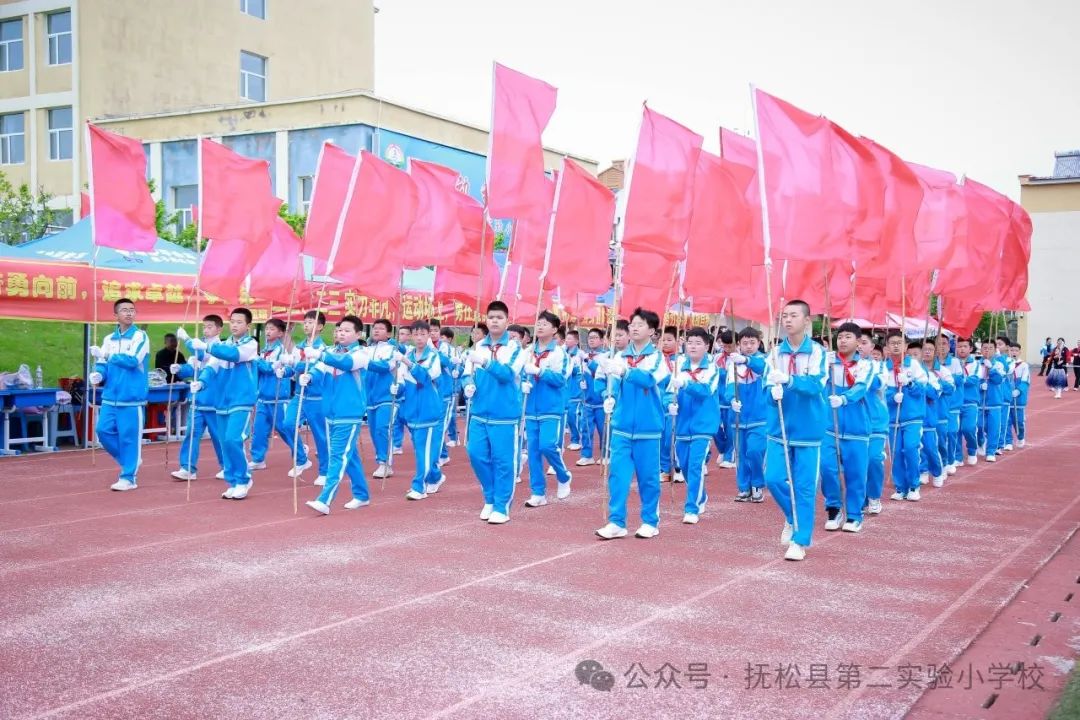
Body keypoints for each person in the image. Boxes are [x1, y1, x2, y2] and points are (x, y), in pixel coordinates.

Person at [595, 307, 669, 540]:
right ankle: (616, 521)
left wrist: (625, 371)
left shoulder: (657, 358)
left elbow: (648, 380)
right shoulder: (619, 356)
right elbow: (612, 385)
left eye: (640, 324)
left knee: (648, 477)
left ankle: (650, 520)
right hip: (622, 426)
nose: (634, 328)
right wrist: (608, 398)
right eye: (633, 324)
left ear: (652, 331)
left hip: (649, 428)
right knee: (618, 475)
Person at [763, 300, 828, 561]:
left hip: (808, 429)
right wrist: (772, 392)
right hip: (779, 427)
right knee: (773, 478)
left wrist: (789, 381)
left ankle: (800, 540)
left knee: (804, 486)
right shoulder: (775, 353)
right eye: (784, 316)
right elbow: (766, 388)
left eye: (793, 315)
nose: (788, 320)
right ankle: (792, 516)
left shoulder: (817, 352)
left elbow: (816, 385)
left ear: (806, 321)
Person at [463, 301, 526, 524]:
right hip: (479, 411)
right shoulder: (478, 347)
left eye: (499, 317)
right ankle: (489, 497)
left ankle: (501, 505)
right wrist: (467, 384)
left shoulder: (516, 348)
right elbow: (467, 372)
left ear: (507, 321)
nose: (494, 321)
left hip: (505, 414)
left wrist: (487, 362)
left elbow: (507, 374)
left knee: (503, 461)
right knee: (475, 454)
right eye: (491, 317)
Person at [302, 315, 372, 514]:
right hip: (331, 412)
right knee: (349, 457)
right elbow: (319, 369)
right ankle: (362, 494)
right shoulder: (332, 351)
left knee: (338, 456)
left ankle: (325, 499)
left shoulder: (361, 353)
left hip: (348, 413)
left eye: (347, 330)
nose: (342, 333)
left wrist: (319, 354)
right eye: (340, 330)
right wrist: (309, 376)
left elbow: (346, 363)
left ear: (358, 334)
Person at [190, 307, 258, 499]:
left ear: (248, 325)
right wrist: (201, 382)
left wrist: (208, 347)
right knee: (224, 442)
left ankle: (243, 479)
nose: (234, 325)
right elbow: (212, 367)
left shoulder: (250, 344)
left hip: (241, 400)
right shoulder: (224, 344)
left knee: (233, 439)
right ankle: (232, 480)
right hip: (221, 401)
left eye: (239, 322)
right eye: (232, 321)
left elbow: (233, 355)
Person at [89, 298, 149, 491]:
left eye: (132, 310)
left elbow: (132, 361)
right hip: (110, 396)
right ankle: (129, 460)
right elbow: (103, 364)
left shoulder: (140, 337)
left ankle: (128, 477)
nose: (129, 313)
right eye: (124, 310)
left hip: (131, 397)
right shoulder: (108, 339)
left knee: (129, 438)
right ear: (116, 315)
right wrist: (98, 373)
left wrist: (106, 356)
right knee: (103, 431)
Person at [820, 323, 871, 533]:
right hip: (829, 427)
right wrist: (825, 367)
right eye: (840, 336)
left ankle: (854, 514)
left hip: (856, 429)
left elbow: (860, 388)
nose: (842, 340)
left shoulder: (866, 366)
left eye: (848, 337)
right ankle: (833, 507)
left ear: (858, 342)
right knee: (827, 469)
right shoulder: (828, 362)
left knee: (855, 473)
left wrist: (843, 398)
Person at [522, 310, 573, 507]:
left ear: (554, 329)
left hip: (551, 407)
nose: (540, 326)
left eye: (545, 323)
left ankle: (563, 474)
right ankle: (538, 492)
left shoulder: (559, 353)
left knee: (547, 445)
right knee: (533, 450)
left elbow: (560, 379)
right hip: (531, 408)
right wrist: (523, 384)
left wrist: (539, 371)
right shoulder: (528, 352)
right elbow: (517, 373)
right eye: (538, 323)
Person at [249, 318, 311, 477]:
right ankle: (258, 458)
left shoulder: (281, 351)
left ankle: (301, 455)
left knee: (285, 429)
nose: (268, 332)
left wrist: (256, 360)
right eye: (266, 328)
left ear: (281, 333)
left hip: (278, 397)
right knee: (259, 430)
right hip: (263, 398)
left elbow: (270, 369)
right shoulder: (264, 350)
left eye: (272, 329)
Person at [671, 326, 721, 524]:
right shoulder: (677, 366)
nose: (693, 346)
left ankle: (691, 507)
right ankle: (700, 496)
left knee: (695, 466)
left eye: (698, 343)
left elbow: (705, 391)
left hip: (703, 425)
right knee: (683, 466)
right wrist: (670, 403)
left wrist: (686, 384)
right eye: (690, 342)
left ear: (707, 346)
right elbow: (668, 390)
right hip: (682, 424)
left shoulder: (712, 368)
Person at [171, 315, 225, 482]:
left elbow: (202, 356)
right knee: (191, 434)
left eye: (210, 327)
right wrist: (180, 368)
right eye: (205, 326)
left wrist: (186, 338)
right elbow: (193, 367)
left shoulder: (218, 347)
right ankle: (187, 467)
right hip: (197, 399)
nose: (206, 329)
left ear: (219, 329)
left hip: (213, 400)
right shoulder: (198, 344)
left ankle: (227, 466)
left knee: (218, 436)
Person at [399, 320, 447, 500]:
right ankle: (435, 476)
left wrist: (406, 362)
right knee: (421, 449)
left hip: (428, 410)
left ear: (428, 336)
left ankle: (419, 486)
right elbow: (403, 380)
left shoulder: (434, 356)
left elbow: (425, 377)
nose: (419, 338)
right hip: (411, 410)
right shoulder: (409, 354)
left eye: (422, 334)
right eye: (416, 334)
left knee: (423, 450)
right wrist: (396, 387)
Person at [285, 310, 329, 486]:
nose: (306, 325)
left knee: (320, 435)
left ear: (319, 326)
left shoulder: (323, 349)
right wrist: (285, 370)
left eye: (311, 322)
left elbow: (318, 367)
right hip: (299, 395)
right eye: (305, 322)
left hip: (317, 397)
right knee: (288, 424)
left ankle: (325, 471)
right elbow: (294, 368)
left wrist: (302, 369)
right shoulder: (299, 347)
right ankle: (302, 459)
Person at [884, 332, 928, 502]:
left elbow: (923, 389)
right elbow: (880, 392)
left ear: (905, 345)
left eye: (899, 342)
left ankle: (913, 485)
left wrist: (910, 384)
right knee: (895, 452)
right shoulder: (884, 367)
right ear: (887, 346)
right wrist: (891, 396)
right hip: (893, 417)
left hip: (912, 416)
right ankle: (900, 487)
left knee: (910, 449)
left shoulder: (914, 365)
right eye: (892, 343)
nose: (896, 346)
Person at [727, 327, 768, 503]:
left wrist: (746, 359)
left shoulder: (764, 361)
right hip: (738, 417)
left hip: (759, 418)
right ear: (739, 344)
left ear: (759, 343)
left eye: (752, 342)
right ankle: (744, 488)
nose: (749, 346)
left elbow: (761, 367)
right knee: (741, 455)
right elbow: (729, 386)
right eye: (745, 343)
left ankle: (757, 483)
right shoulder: (733, 364)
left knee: (755, 451)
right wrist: (731, 400)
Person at [857, 332, 888, 515]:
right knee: (858, 463)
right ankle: (858, 498)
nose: (860, 346)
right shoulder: (842, 365)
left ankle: (874, 496)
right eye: (857, 342)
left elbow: (877, 384)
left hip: (876, 421)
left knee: (874, 459)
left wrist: (862, 372)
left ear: (871, 347)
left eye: (864, 343)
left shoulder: (879, 367)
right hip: (854, 422)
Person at [365, 319, 400, 479]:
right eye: (375, 328)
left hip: (387, 396)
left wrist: (365, 362)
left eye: (380, 328)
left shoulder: (393, 350)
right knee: (373, 432)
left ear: (388, 333)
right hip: (370, 398)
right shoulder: (366, 349)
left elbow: (385, 367)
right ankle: (381, 459)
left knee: (382, 428)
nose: (376, 331)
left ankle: (385, 463)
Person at [577, 328, 607, 467]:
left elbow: (601, 371)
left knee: (603, 429)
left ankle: (605, 454)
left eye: (595, 337)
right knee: (586, 429)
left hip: (601, 401)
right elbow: (580, 372)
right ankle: (586, 455)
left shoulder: (606, 356)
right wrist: (581, 381)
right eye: (590, 337)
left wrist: (588, 361)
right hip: (587, 400)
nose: (592, 340)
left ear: (602, 340)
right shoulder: (584, 356)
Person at [564, 329, 585, 453]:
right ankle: (574, 439)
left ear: (577, 341)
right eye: (566, 338)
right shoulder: (563, 352)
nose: (567, 340)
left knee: (574, 416)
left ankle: (578, 439)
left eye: (570, 338)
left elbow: (580, 372)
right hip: (566, 390)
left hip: (576, 390)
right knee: (568, 417)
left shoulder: (580, 354)